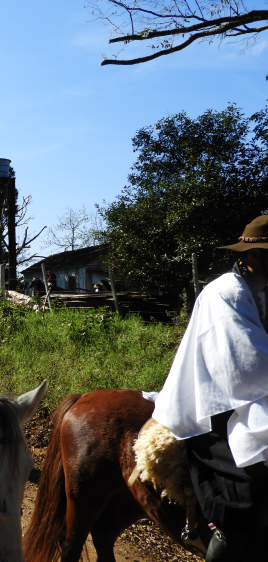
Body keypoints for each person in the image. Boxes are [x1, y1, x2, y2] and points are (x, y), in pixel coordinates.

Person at [152, 215, 268, 562]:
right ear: (258, 257)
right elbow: (245, 366)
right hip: (214, 410)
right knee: (247, 493)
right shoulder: (225, 293)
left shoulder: (259, 293)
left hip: (249, 400)